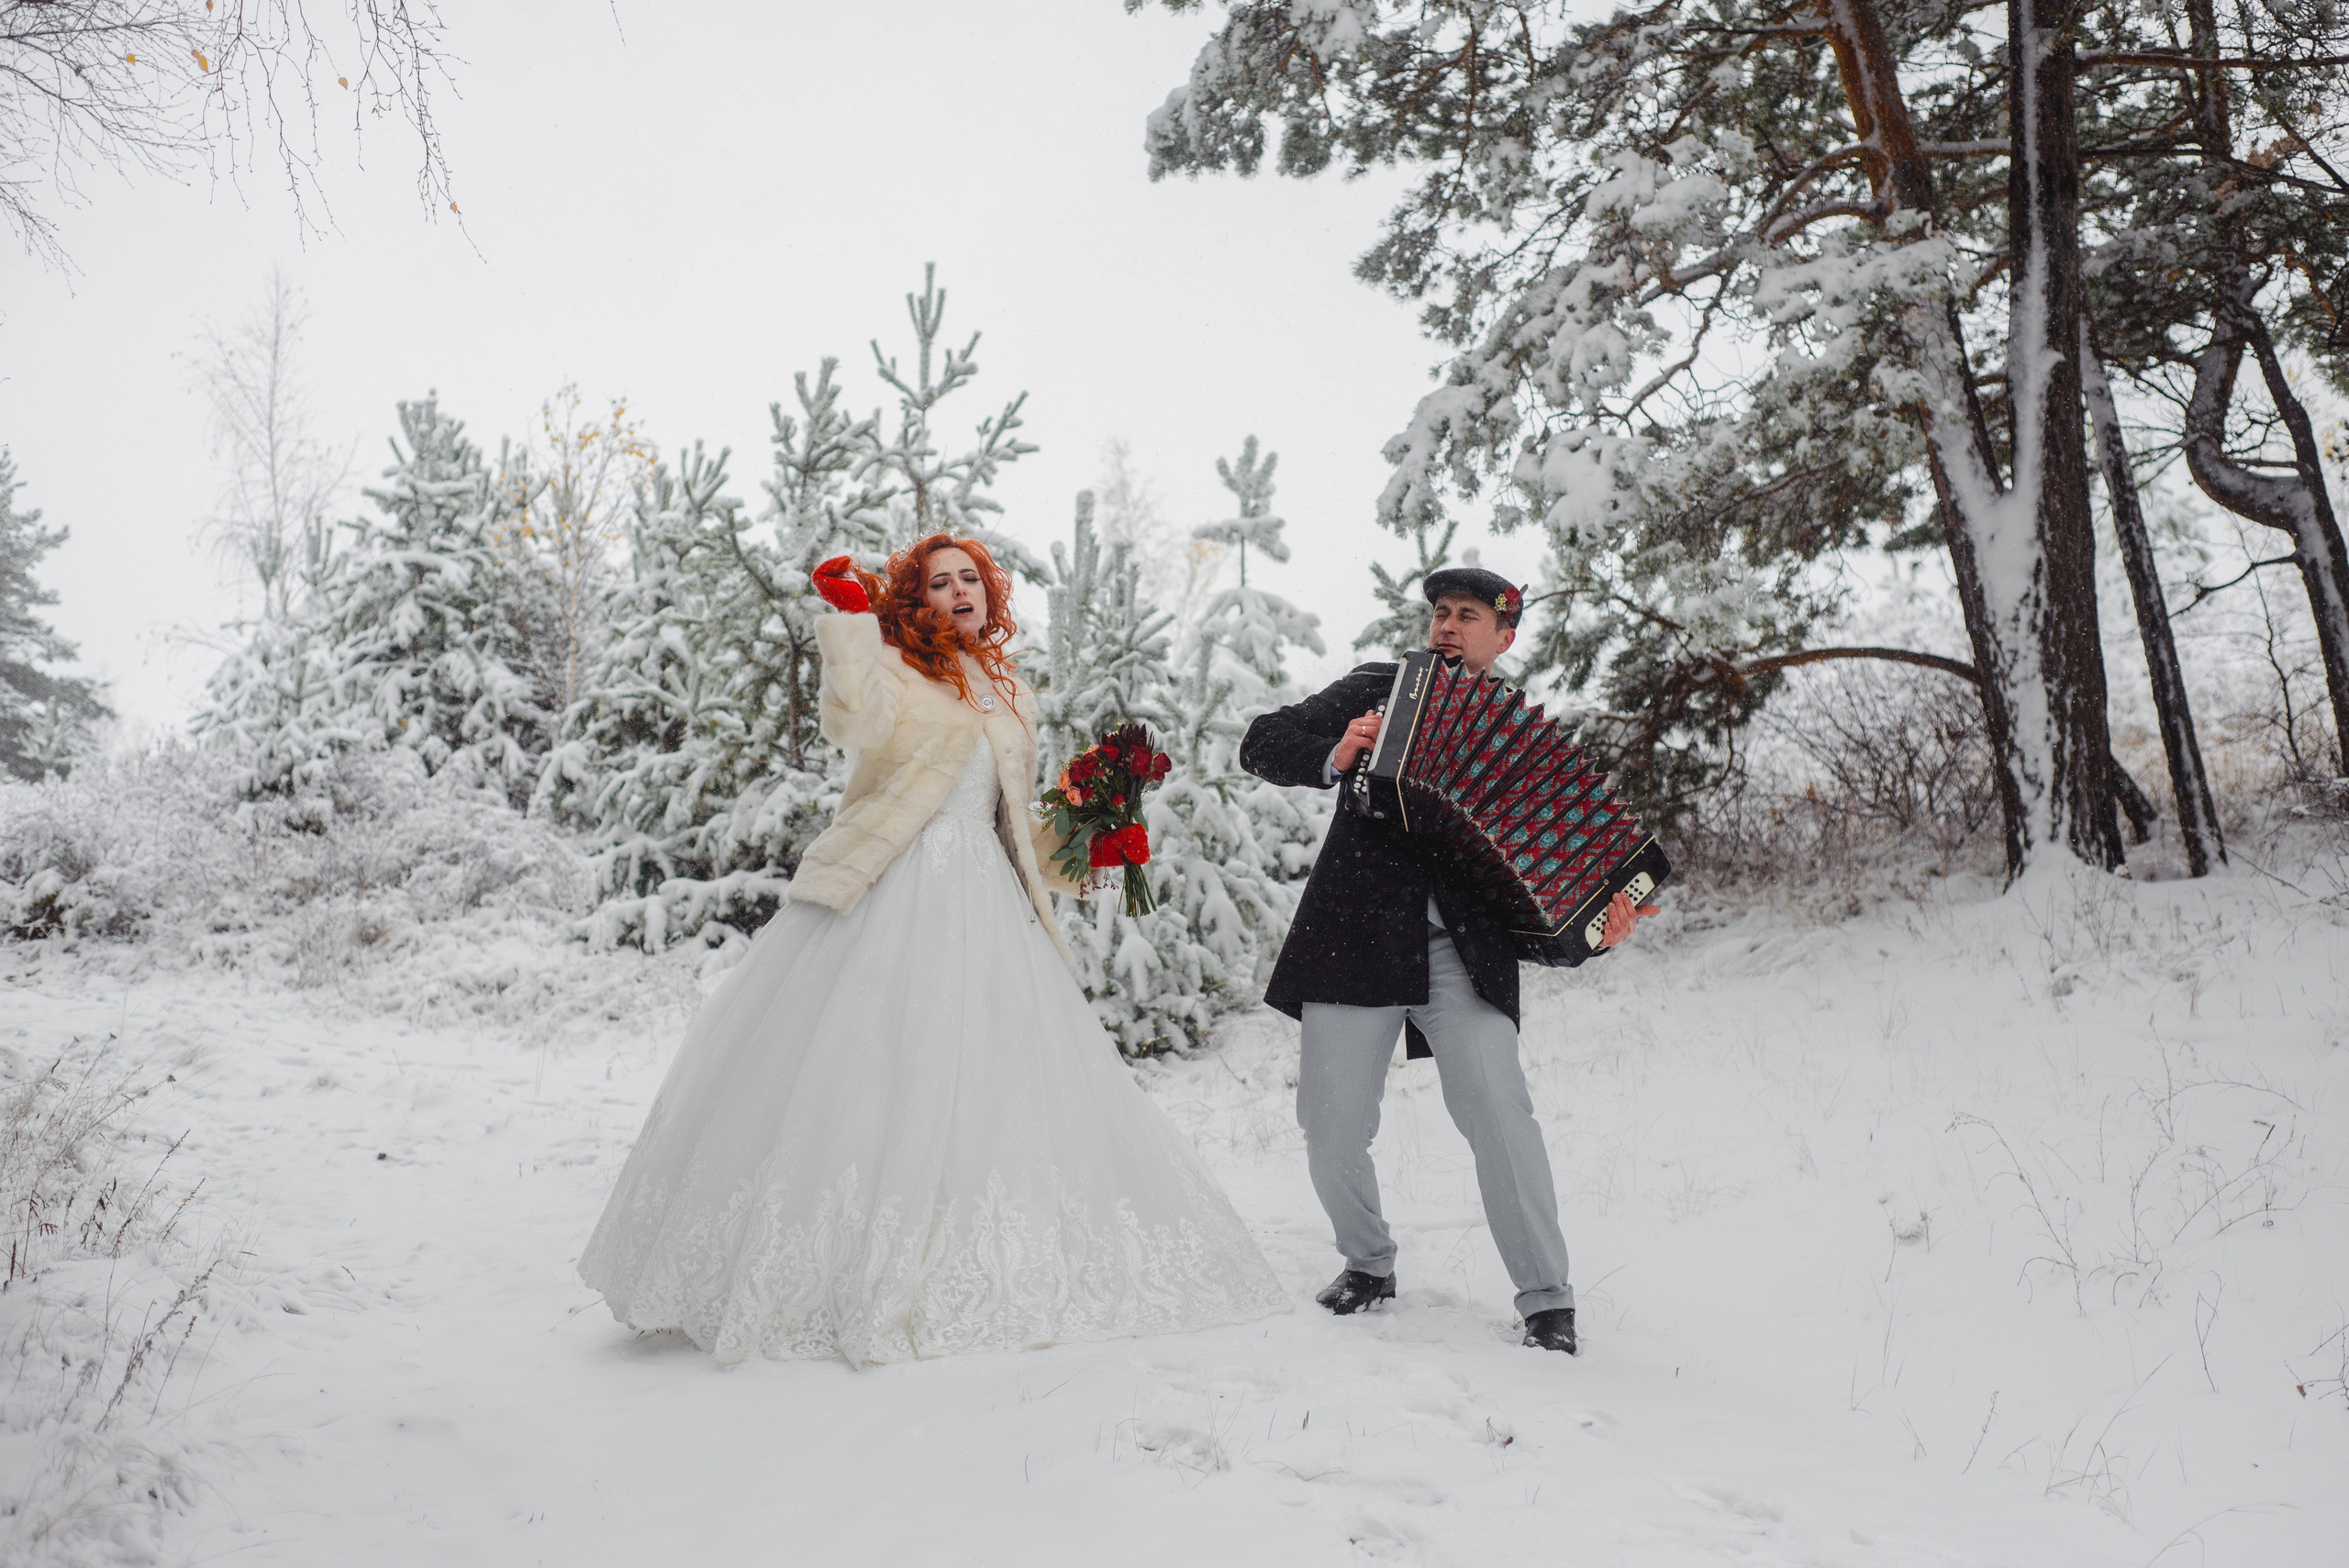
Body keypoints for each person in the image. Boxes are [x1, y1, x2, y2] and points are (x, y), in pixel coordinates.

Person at [579, 533, 1287, 1366]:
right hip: (891, 882)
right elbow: (854, 721)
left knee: (993, 1072)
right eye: (939, 581)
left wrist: (1092, 840)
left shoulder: (1012, 687)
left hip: (985, 892)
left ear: (991, 595)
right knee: (867, 1066)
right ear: (916, 601)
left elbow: (1011, 817)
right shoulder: (891, 664)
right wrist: (847, 625)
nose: (959, 591)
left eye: (971, 579)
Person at [1239, 566, 1659, 1355]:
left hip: (1462, 956)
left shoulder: (1520, 745)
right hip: (1353, 938)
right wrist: (1335, 749)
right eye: (1440, 612)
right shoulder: (1378, 687)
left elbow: (1549, 903)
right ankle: (1368, 1264)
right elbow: (1261, 741)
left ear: (1504, 636)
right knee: (1328, 1128)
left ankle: (1547, 1302)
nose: (1448, 625)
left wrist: (1599, 928)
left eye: (1468, 615)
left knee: (1503, 1120)